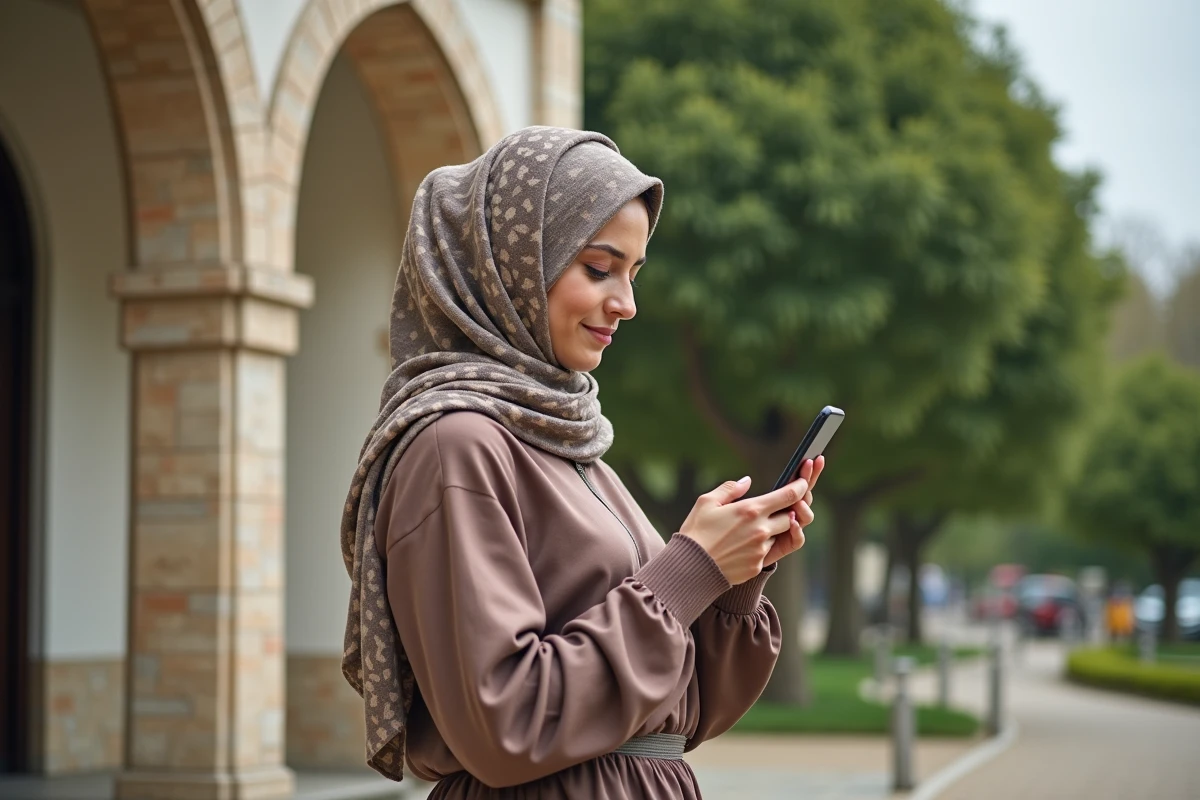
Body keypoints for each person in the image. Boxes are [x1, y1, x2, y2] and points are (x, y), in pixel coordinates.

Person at [340, 126, 823, 798]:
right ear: (509, 264)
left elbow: (685, 712)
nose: (626, 304)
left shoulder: (574, 445)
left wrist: (733, 577)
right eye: (598, 268)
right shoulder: (453, 446)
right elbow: (504, 723)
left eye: (633, 272)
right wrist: (688, 568)